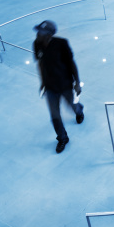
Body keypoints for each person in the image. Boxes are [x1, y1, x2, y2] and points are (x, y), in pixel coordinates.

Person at [33, 20, 84, 153]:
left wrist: (77, 82)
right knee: (55, 115)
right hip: (50, 87)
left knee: (73, 105)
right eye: (38, 31)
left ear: (49, 34)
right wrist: (43, 82)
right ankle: (62, 138)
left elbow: (71, 63)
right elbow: (40, 63)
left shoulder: (62, 44)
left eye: (41, 32)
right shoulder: (36, 44)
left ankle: (79, 110)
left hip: (65, 83)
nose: (38, 33)